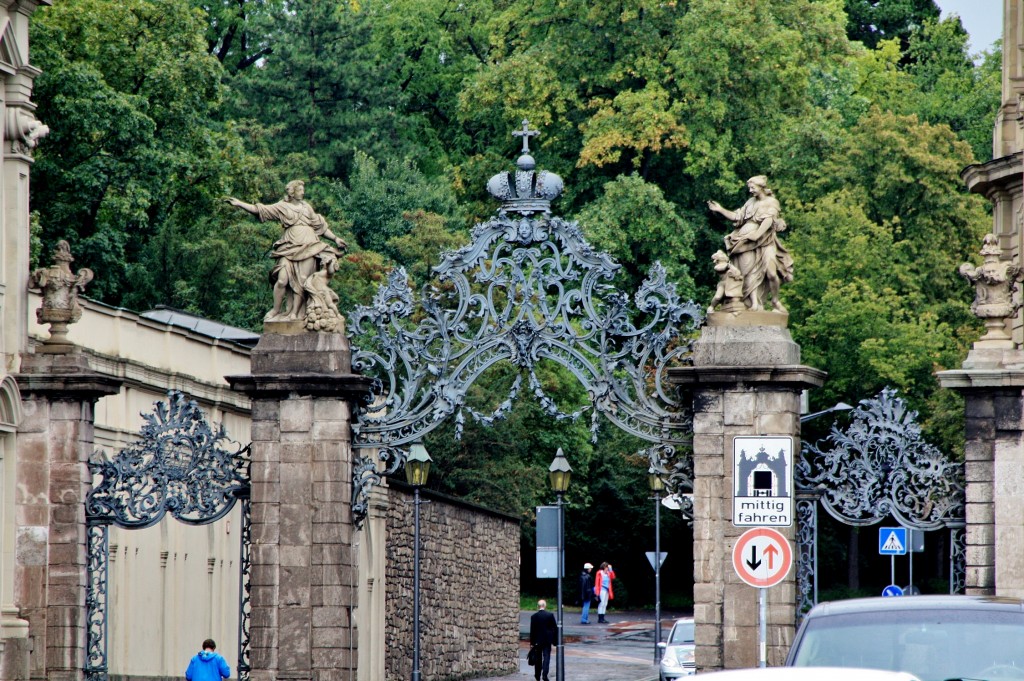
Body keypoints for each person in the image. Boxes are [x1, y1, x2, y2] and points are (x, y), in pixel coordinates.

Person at [225, 180, 348, 322]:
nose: (303, 192)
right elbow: (261, 210)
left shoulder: (306, 207)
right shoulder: (282, 206)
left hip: (309, 247)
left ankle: (296, 314)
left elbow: (321, 227)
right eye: (300, 190)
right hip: (288, 248)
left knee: (302, 282)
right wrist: (240, 203)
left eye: (303, 189)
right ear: (292, 192)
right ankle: (276, 310)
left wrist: (336, 238)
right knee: (282, 279)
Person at [707, 175, 793, 312]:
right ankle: (753, 304)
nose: (751, 190)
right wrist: (720, 209)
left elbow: (769, 220)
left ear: (761, 187)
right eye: (749, 188)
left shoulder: (772, 202)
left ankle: (775, 301)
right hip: (746, 242)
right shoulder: (750, 202)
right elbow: (737, 217)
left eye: (753, 187)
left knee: (771, 273)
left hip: (765, 241)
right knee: (748, 273)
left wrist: (757, 234)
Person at [529, 599, 557, 681]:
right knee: (546, 657)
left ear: (538, 606)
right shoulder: (550, 615)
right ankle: (545, 674)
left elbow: (532, 630)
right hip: (547, 640)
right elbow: (554, 628)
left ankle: (537, 675)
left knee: (538, 658)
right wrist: (555, 641)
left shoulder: (534, 616)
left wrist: (532, 643)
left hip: (537, 641)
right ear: (545, 606)